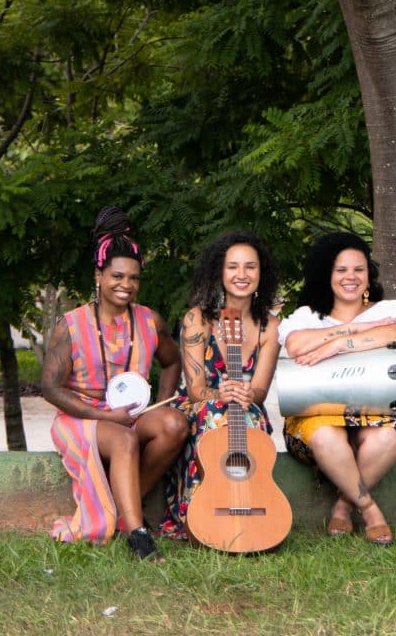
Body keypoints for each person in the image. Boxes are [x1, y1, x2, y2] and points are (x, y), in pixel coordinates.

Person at [41, 207, 186, 560]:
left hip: (131, 413)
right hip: (82, 417)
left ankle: (121, 511)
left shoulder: (149, 320)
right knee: (122, 437)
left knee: (175, 424)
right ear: (99, 275)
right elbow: (50, 388)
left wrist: (163, 401)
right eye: (118, 276)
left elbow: (172, 361)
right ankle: (138, 536)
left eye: (134, 278)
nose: (126, 285)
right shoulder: (71, 325)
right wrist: (103, 416)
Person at [279, 232, 396, 546]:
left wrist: (338, 343)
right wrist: (353, 328)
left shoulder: (387, 310)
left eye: (359, 269)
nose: (350, 277)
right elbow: (295, 343)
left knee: (386, 437)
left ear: (369, 275)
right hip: (315, 414)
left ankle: (344, 502)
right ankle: (369, 509)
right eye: (341, 270)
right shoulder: (307, 316)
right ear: (327, 274)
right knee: (328, 434)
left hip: (374, 411)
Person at [159, 231, 281, 538]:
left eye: (250, 267)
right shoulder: (197, 320)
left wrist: (243, 391)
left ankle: (251, 509)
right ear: (219, 272)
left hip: (245, 406)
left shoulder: (271, 326)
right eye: (233, 266)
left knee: (245, 419)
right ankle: (198, 514)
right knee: (217, 413)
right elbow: (197, 389)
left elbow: (261, 390)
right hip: (200, 409)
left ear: (260, 273)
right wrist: (221, 392)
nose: (242, 274)